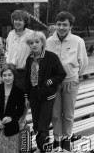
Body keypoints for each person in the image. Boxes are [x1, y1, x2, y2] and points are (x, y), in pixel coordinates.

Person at [46, 11, 88, 151]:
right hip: (54, 83)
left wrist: (73, 76)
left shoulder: (78, 41)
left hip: (71, 82)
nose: (61, 27)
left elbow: (83, 64)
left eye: (65, 25)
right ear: (55, 25)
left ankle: (66, 140)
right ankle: (57, 139)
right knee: (55, 113)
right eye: (59, 24)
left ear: (70, 26)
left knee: (68, 114)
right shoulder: (48, 42)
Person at [24, 31, 66, 152]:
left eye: (37, 42)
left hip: (47, 96)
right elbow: (27, 80)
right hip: (33, 97)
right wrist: (26, 97)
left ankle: (44, 149)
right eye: (31, 43)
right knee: (36, 124)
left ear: (42, 42)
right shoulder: (29, 59)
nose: (34, 45)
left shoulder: (51, 57)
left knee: (43, 125)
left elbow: (61, 74)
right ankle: (40, 147)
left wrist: (51, 81)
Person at [0, 64, 25, 153]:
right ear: (1, 76)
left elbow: (20, 110)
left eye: (10, 75)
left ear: (14, 76)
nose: (7, 78)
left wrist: (11, 118)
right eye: (4, 75)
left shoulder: (19, 91)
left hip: (10, 129)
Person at [6, 10, 33, 129]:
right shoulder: (10, 34)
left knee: (24, 97)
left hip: (23, 70)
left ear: (25, 22)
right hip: (10, 70)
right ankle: (13, 117)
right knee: (11, 96)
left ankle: (22, 119)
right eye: (15, 19)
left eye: (20, 20)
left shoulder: (30, 34)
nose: (17, 22)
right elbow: (7, 49)